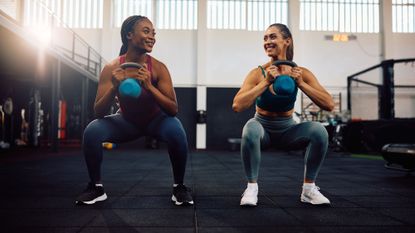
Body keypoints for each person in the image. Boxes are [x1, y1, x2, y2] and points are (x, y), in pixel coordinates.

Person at [75, 15, 193, 206]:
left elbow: (173, 109)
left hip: (157, 121)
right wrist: (114, 87)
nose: (152, 37)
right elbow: (98, 112)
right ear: (129, 35)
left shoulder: (159, 68)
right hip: (127, 122)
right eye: (146, 31)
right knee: (92, 131)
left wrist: (150, 86)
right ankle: (96, 188)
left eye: (153, 33)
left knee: (177, 132)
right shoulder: (112, 68)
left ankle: (179, 187)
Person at [232, 23, 334, 206]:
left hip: (288, 130)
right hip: (263, 129)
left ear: (287, 41)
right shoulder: (258, 73)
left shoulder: (301, 73)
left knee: (319, 131)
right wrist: (265, 82)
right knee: (250, 128)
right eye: (265, 38)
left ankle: (309, 190)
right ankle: (251, 188)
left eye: (272, 37)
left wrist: (301, 83)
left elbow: (329, 104)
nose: (267, 42)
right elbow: (237, 106)